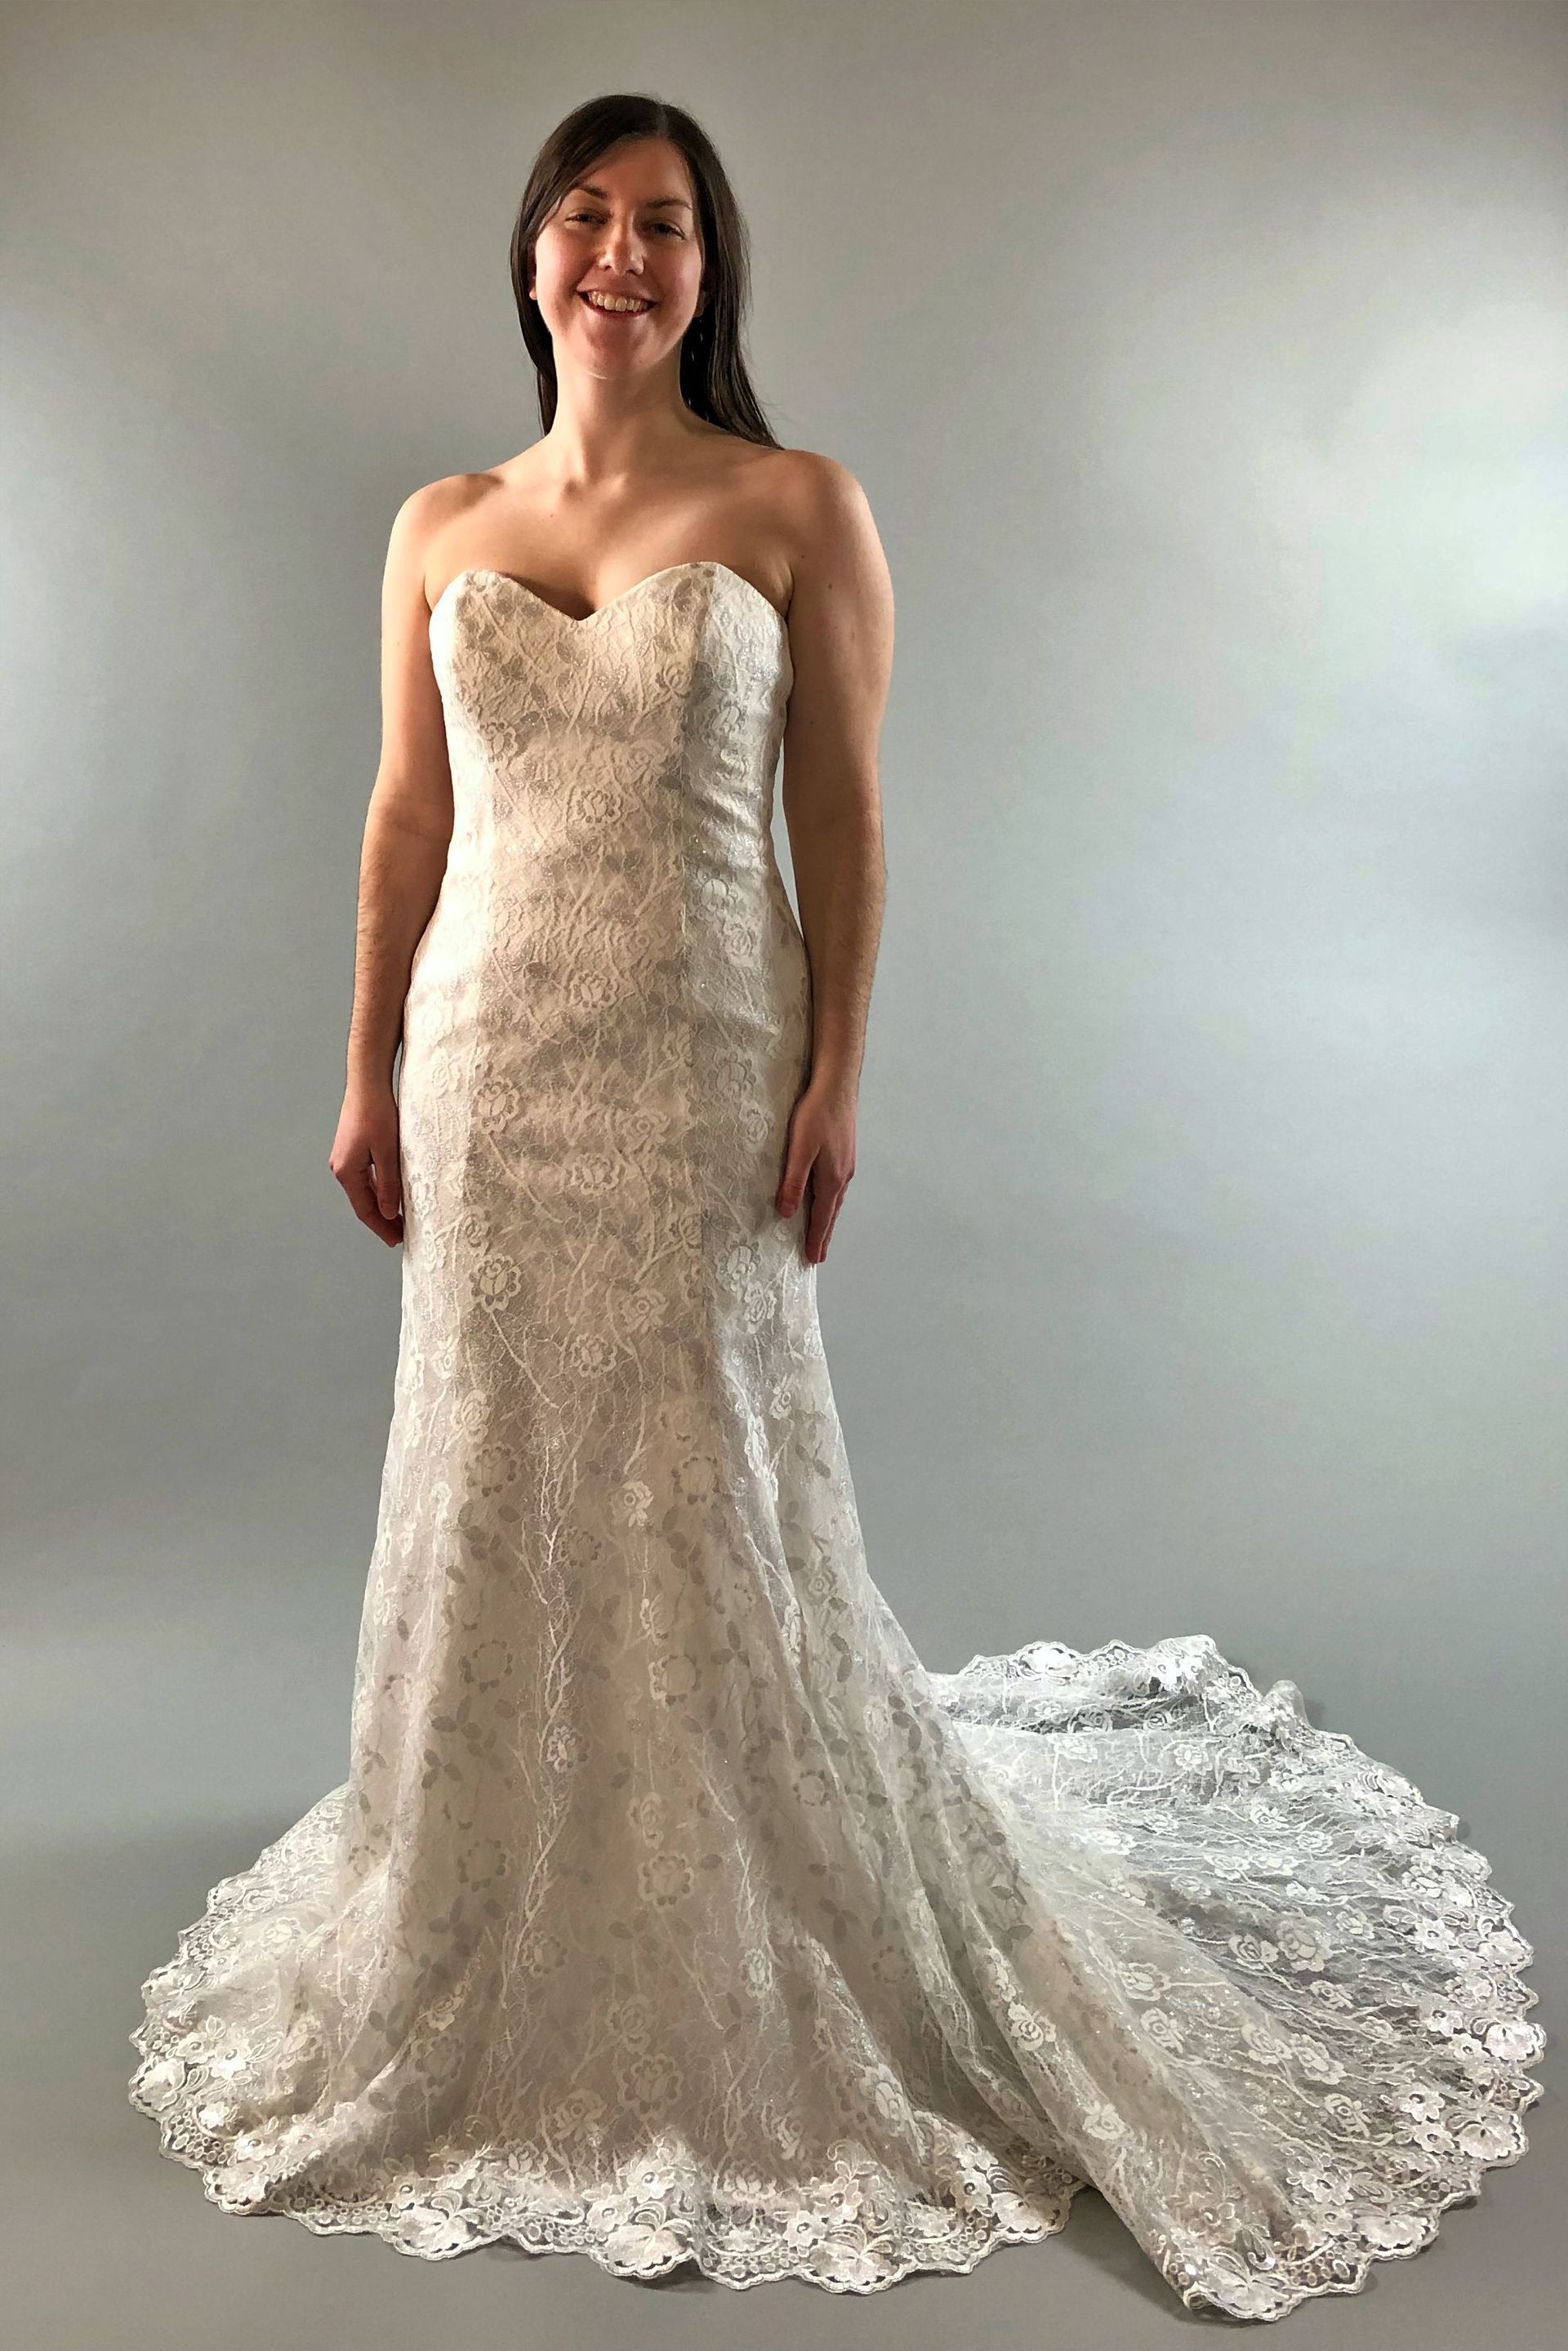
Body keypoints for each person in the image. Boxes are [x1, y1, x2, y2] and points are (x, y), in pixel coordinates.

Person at [129, 93, 1544, 2321]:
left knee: (703, 1472)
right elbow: (407, 813)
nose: (622, 255)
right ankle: (504, 1889)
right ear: (529, 257)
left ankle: (743, 1906)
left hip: (699, 1057)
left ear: (711, 269)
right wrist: (362, 1061)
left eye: (666, 224)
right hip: (491, 1070)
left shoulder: (797, 504)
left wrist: (837, 1076)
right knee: (503, 1464)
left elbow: (847, 817)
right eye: (586, 218)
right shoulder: (440, 524)